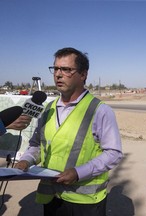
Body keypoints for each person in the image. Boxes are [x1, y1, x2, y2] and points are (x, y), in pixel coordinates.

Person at [15, 47, 123, 216]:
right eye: (55, 68)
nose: (58, 74)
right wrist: (26, 161)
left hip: (84, 203)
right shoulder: (48, 109)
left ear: (83, 74)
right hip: (51, 197)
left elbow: (113, 153)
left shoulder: (100, 110)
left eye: (66, 69)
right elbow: (36, 145)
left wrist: (78, 173)